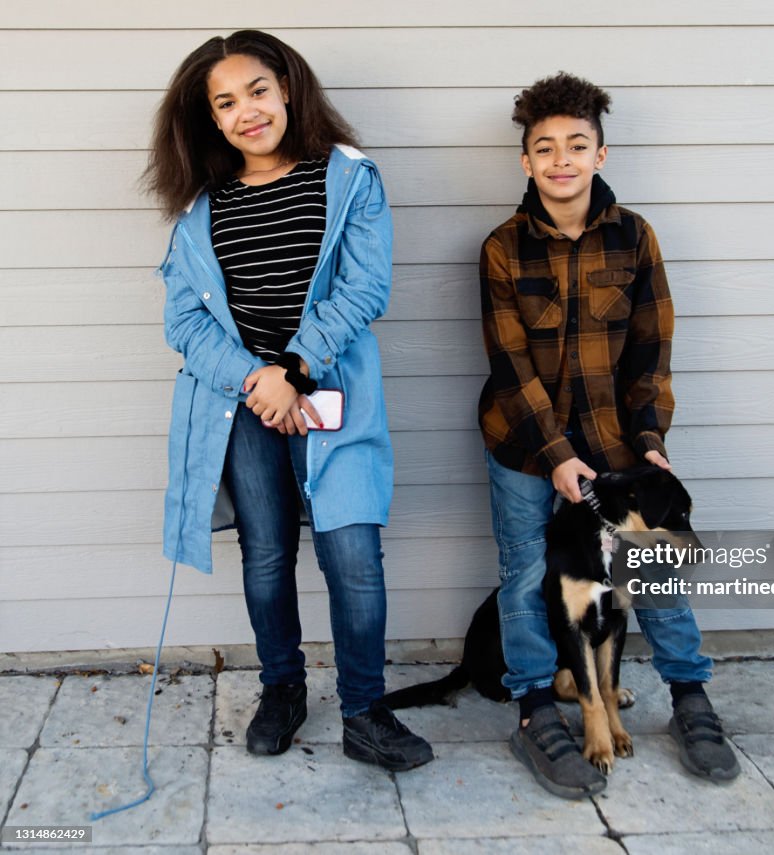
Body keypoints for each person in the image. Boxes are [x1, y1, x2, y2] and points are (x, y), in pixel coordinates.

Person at [146, 30, 432, 771]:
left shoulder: (346, 178)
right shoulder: (199, 211)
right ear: (211, 120)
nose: (247, 111)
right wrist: (256, 380)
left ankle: (366, 711)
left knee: (353, 554)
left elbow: (365, 286)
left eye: (258, 91)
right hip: (241, 407)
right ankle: (282, 688)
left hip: (329, 391)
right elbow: (184, 320)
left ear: (289, 90)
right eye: (226, 102)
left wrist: (294, 370)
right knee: (266, 553)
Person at [478, 72, 740, 798]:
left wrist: (651, 438)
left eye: (577, 144)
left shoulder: (635, 236)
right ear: (526, 162)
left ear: (600, 152)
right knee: (529, 573)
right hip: (525, 444)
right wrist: (558, 457)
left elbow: (653, 349)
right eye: (544, 148)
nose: (561, 159)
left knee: (650, 569)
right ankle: (536, 708)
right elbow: (509, 363)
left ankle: (689, 693)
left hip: (621, 444)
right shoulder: (502, 248)